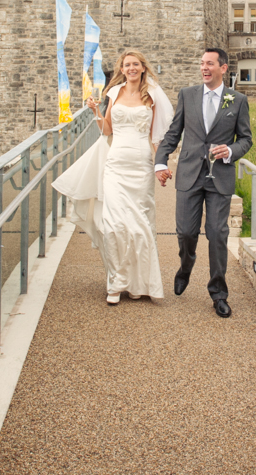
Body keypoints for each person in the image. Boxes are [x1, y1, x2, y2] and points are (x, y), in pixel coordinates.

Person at [52, 50, 173, 304]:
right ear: (122, 68)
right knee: (113, 225)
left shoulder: (151, 95)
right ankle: (116, 282)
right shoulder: (114, 93)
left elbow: (156, 138)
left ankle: (140, 283)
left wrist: (160, 165)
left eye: (135, 64)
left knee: (140, 227)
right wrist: (96, 111)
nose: (131, 68)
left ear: (142, 67)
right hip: (115, 163)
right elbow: (107, 129)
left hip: (140, 165)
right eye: (127, 64)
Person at [155, 49, 252, 319]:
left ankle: (219, 293)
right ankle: (186, 266)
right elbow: (174, 132)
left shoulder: (238, 100)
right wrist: (161, 161)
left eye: (209, 64)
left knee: (218, 234)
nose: (204, 68)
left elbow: (246, 139)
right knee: (186, 232)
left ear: (223, 68)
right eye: (201, 64)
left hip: (219, 177)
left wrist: (231, 151)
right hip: (189, 173)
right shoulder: (187, 95)